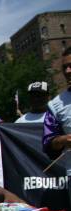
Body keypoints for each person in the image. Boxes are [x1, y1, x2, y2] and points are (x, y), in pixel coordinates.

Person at [43, 46, 71, 203]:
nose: (67, 71)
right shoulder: (55, 105)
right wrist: (64, 140)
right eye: (64, 67)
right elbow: (48, 143)